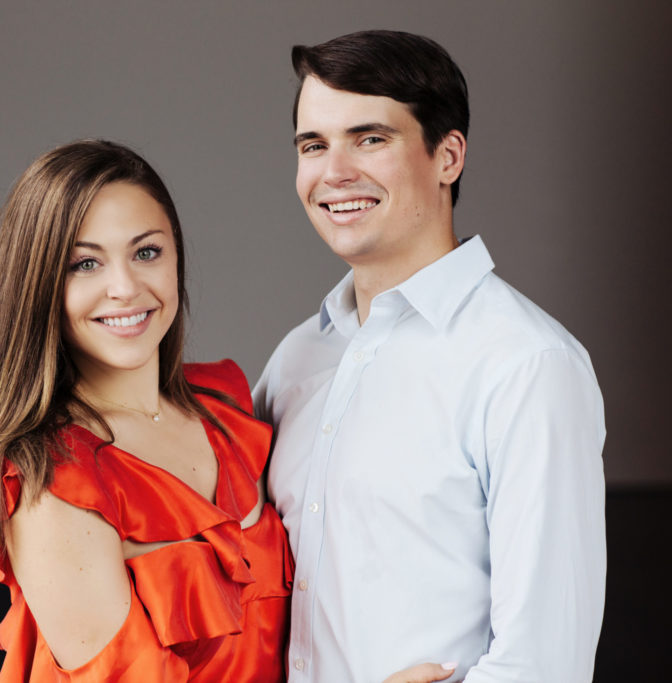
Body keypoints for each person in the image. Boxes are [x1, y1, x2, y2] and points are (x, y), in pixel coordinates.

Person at [0, 139, 458, 682]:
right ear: (40, 283)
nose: (124, 288)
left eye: (146, 252)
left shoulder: (230, 412)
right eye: (85, 264)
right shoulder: (50, 480)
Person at [253, 30, 606, 682]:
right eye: (313, 145)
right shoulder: (296, 359)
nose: (334, 172)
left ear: (448, 156)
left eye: (370, 138)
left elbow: (546, 663)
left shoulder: (528, 364)